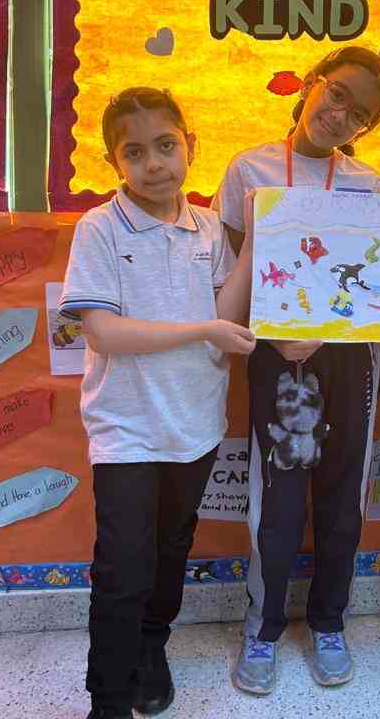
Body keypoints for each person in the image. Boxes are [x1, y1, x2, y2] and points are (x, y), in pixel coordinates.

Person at [61, 87, 257, 719]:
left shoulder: (208, 228)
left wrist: (257, 244)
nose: (154, 164)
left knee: (172, 545)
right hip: (126, 428)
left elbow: (227, 312)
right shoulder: (98, 228)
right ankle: (108, 698)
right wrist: (202, 329)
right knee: (122, 565)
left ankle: (152, 646)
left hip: (195, 423)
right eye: (135, 152)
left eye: (166, 146)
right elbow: (102, 332)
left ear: (190, 146)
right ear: (114, 162)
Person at [212, 45, 380, 694]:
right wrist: (275, 335)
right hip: (279, 357)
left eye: (361, 113)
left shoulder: (370, 185)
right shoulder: (249, 168)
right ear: (313, 82)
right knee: (279, 500)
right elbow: (235, 274)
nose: (342, 114)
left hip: (351, 360)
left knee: (344, 500)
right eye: (338, 93)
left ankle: (329, 623)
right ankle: (262, 629)